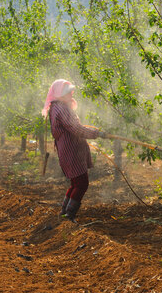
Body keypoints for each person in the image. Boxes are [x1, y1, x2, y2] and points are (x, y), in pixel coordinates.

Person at [42, 79, 107, 222]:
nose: (70, 94)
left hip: (69, 150)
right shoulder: (61, 108)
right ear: (59, 94)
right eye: (66, 92)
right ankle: (69, 215)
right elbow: (76, 129)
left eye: (70, 91)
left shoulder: (56, 107)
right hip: (71, 152)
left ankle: (65, 212)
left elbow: (74, 126)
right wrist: (97, 134)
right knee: (82, 183)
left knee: (76, 183)